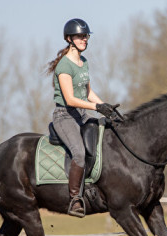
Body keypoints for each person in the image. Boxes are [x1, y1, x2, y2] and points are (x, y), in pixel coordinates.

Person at [46, 18, 117, 217]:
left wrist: (106, 107)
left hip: (82, 114)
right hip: (65, 116)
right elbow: (70, 99)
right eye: (80, 36)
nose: (84, 39)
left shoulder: (83, 62)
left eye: (85, 36)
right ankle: (75, 198)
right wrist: (97, 106)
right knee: (78, 153)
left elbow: (87, 93)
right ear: (69, 39)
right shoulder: (64, 67)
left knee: (106, 138)